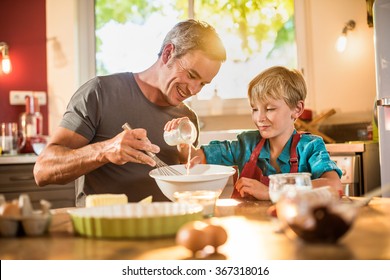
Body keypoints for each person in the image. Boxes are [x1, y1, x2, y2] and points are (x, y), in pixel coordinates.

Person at [33, 19, 226, 205]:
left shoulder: (186, 120)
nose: (193, 90)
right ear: (168, 53)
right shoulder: (99, 93)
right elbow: (43, 170)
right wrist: (105, 150)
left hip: (166, 229)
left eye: (203, 84)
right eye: (191, 75)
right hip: (105, 230)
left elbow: (189, 185)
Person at [165, 66, 342, 200]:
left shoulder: (310, 147)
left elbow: (333, 185)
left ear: (297, 109)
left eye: (270, 109)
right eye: (254, 109)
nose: (260, 118)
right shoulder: (246, 144)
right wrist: (182, 142)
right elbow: (196, 158)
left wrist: (273, 191)